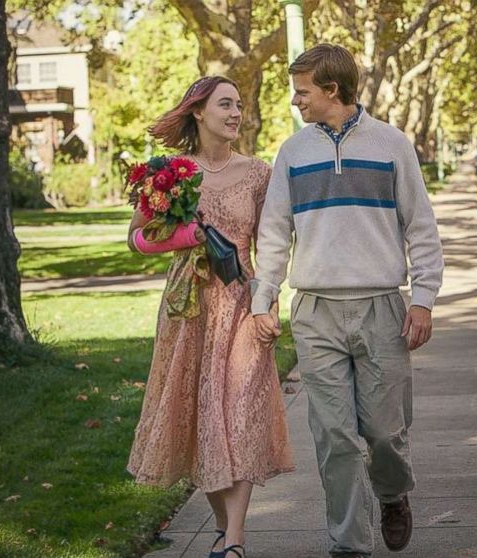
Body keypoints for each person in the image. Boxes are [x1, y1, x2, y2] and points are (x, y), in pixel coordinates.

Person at [251, 44, 444, 557]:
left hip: (383, 306)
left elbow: (420, 227)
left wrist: (422, 299)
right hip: (315, 311)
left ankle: (393, 494)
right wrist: (263, 299)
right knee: (334, 436)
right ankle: (348, 545)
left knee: (384, 433)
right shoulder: (292, 152)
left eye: (302, 91)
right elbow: (273, 233)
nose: (296, 101)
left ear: (332, 90)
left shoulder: (392, 144)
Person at [126, 75, 293, 558]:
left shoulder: (259, 173)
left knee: (240, 412)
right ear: (198, 112)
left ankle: (235, 540)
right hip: (189, 307)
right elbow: (136, 239)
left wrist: (269, 304)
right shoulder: (172, 173)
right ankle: (225, 531)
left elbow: (273, 247)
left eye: (240, 104)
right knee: (202, 419)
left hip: (242, 300)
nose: (236, 112)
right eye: (226, 104)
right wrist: (187, 238)